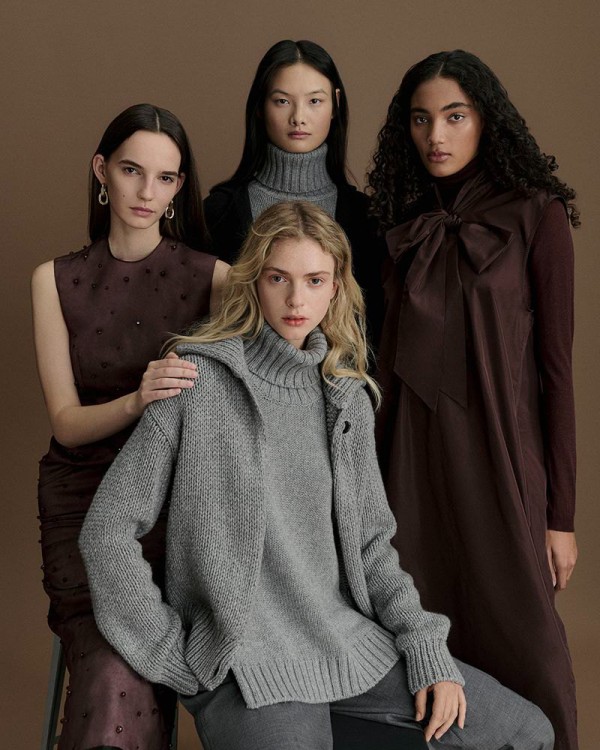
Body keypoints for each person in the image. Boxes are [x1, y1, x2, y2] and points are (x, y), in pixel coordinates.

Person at [80, 201, 554, 750]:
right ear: (253, 281)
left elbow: (372, 548)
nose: (296, 300)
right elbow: (107, 530)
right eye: (278, 278)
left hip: (344, 644)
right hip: (244, 664)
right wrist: (168, 650)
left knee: (527, 733)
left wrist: (425, 644)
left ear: (337, 289)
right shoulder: (196, 381)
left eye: (314, 280)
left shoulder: (345, 397)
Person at [368, 49, 578, 750]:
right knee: (421, 655)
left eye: (454, 117)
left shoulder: (537, 215)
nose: (437, 136)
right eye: (421, 119)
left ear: (486, 120)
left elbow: (557, 373)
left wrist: (561, 517)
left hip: (502, 458)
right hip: (409, 461)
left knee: (527, 646)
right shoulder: (397, 219)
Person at [32, 103, 229, 750]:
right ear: (101, 171)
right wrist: (139, 399)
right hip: (81, 496)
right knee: (111, 659)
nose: (147, 192)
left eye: (165, 178)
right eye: (131, 170)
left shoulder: (216, 279)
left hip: (177, 505)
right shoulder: (54, 280)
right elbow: (66, 425)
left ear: (179, 187)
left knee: (142, 650)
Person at [204, 38, 384, 341]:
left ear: (335, 104)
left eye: (314, 101)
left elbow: (371, 330)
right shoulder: (220, 211)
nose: (298, 117)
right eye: (282, 101)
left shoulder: (365, 216)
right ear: (260, 106)